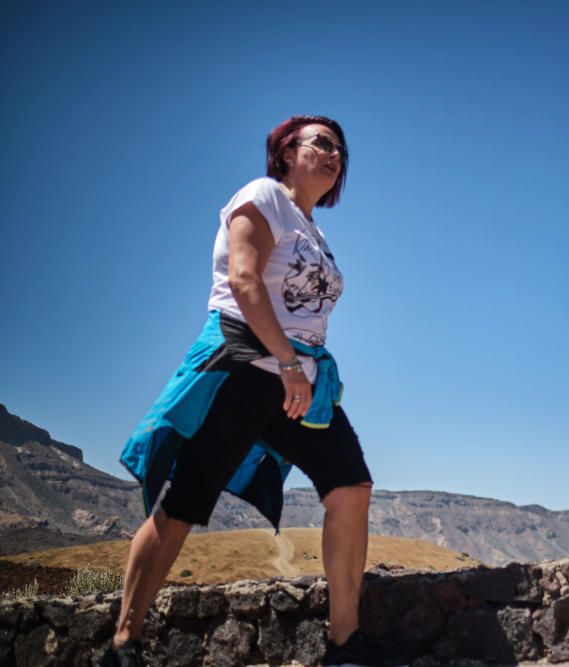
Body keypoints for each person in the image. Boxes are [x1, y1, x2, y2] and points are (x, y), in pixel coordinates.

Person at [98, 116, 406, 667]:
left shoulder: (315, 231)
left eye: (342, 149)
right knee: (184, 504)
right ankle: (123, 643)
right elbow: (243, 280)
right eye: (323, 143)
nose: (336, 155)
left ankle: (344, 643)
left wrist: (298, 368)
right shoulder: (263, 196)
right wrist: (286, 360)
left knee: (350, 485)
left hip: (300, 383)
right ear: (287, 152)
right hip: (244, 368)